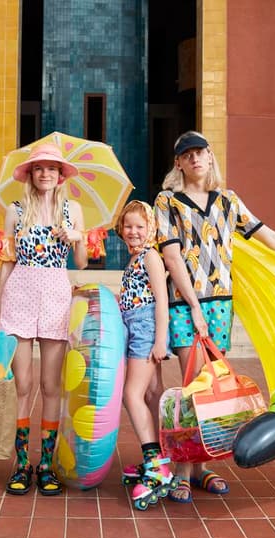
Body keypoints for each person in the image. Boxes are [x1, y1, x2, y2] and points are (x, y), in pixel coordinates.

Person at [153, 131, 275, 503]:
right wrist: (193, 306)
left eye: (200, 152)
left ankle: (201, 466)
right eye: (187, 154)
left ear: (210, 157)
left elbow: (269, 237)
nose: (195, 159)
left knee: (212, 386)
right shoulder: (167, 202)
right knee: (193, 387)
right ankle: (183, 469)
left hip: (220, 304)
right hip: (186, 303)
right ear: (178, 163)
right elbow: (171, 257)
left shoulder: (228, 201)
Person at [0, 143, 88, 496]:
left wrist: (77, 237)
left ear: (61, 175)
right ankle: (21, 464)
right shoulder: (15, 211)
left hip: (56, 299)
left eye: (51, 168)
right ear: (30, 174)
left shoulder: (72, 210)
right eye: (38, 168)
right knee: (23, 384)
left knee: (50, 385)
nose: (45, 173)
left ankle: (46, 464)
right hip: (19, 296)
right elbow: (7, 263)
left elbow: (82, 263)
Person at [115, 200, 176, 510]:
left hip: (146, 329)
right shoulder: (134, 259)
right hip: (135, 325)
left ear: (150, 228)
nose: (133, 231)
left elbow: (160, 300)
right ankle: (159, 459)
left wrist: (160, 339)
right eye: (128, 226)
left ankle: (157, 466)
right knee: (152, 395)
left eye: (140, 226)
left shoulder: (151, 255)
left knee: (132, 394)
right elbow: (133, 297)